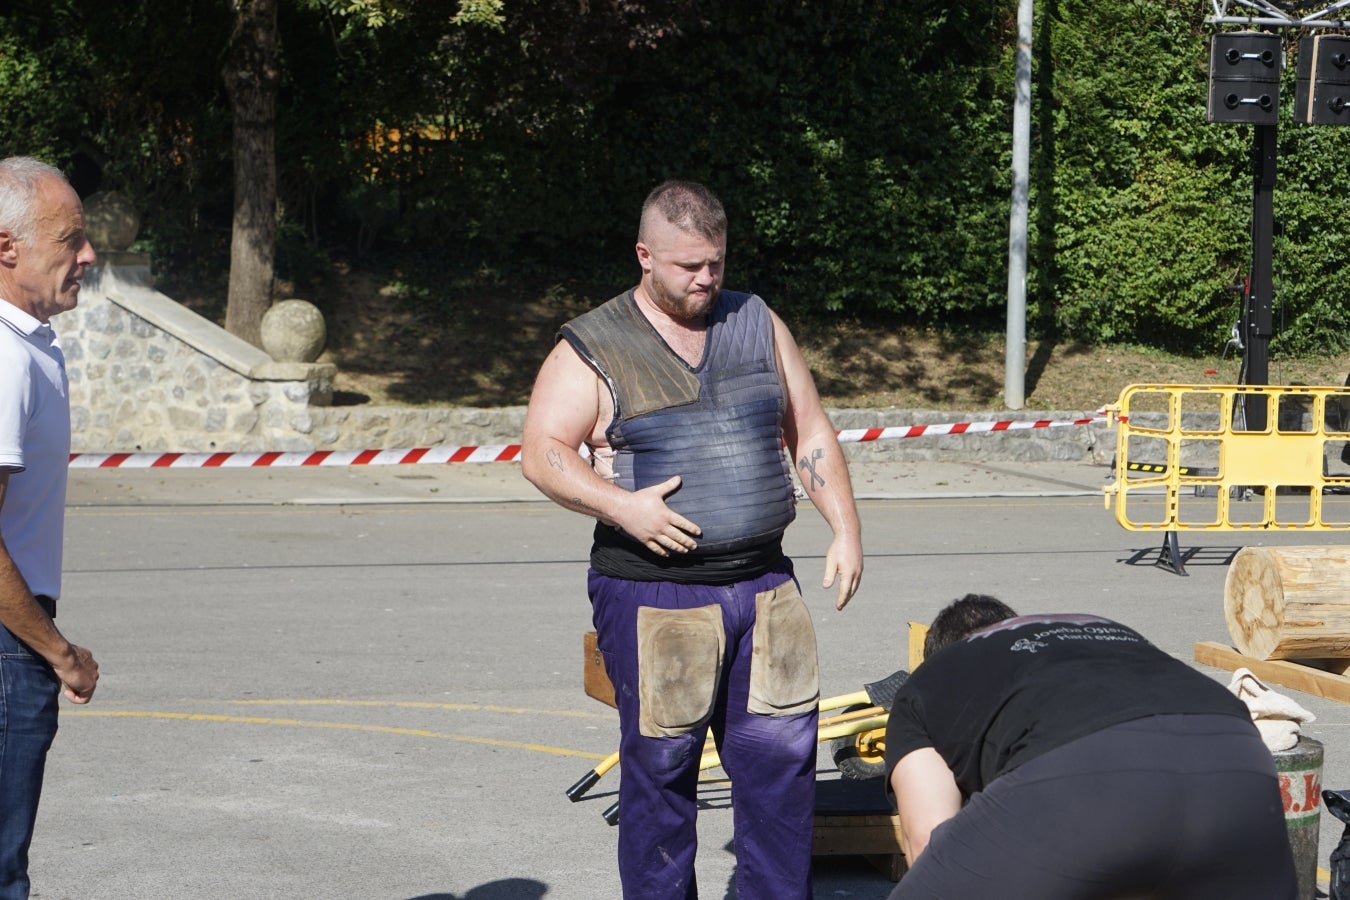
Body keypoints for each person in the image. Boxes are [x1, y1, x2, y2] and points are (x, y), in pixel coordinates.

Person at [522, 180, 863, 899]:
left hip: (767, 586)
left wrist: (845, 529)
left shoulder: (757, 321)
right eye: (688, 266)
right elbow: (542, 452)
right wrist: (623, 508)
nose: (706, 279)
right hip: (655, 593)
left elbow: (809, 428)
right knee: (662, 776)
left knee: (781, 774)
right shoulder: (593, 343)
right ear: (645, 256)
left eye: (716, 262)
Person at [883, 594, 1297, 900]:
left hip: (1088, 778)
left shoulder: (929, 681)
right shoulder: (1094, 627)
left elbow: (927, 841)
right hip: (1237, 760)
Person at [0, 156, 101, 899]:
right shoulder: (5, 360)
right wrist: (56, 652)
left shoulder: (26, 347)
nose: (88, 256)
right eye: (71, 239)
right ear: (7, 247)